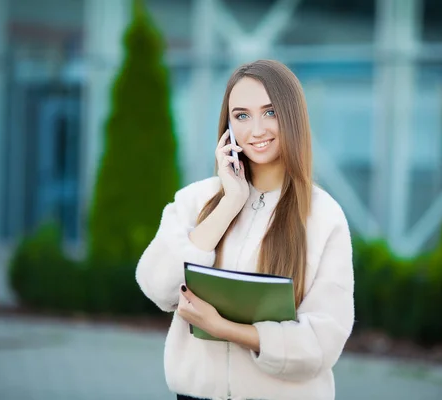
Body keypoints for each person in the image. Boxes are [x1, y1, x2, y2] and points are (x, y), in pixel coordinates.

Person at [135, 59, 354, 400]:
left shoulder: (323, 215)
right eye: (241, 115)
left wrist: (226, 329)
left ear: (292, 117)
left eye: (270, 112)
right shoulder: (196, 199)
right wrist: (229, 202)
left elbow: (322, 342)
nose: (256, 130)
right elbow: (157, 286)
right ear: (227, 127)